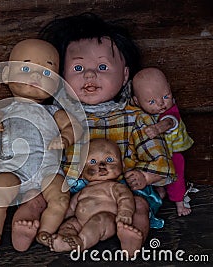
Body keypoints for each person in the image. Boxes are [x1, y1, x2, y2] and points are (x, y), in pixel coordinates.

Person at [40, 12, 176, 251]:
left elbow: (157, 154)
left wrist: (146, 176)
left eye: (102, 66)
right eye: (78, 67)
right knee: (52, 203)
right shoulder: (62, 117)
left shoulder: (135, 117)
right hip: (77, 193)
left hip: (124, 189)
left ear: (125, 75)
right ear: (62, 76)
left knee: (140, 206)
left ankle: (133, 237)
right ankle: (54, 235)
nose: (89, 75)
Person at [0, 39, 81, 251]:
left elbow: (75, 125)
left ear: (57, 83)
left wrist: (67, 137)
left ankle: (46, 232)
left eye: (47, 73)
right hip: (14, 171)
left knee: (60, 198)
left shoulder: (53, 112)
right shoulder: (7, 109)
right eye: (25, 68)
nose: (36, 77)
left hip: (48, 171)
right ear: (6, 75)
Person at [49, 138, 142, 257]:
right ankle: (66, 241)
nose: (102, 165)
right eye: (93, 161)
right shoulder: (83, 191)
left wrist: (125, 213)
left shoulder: (115, 187)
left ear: (122, 165)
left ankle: (82, 242)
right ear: (81, 170)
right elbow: (71, 207)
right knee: (69, 225)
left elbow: (125, 198)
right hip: (80, 222)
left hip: (108, 221)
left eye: (109, 159)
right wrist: (60, 217)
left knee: (100, 220)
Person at [132, 67, 194, 216]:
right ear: (136, 101)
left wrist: (158, 128)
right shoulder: (140, 113)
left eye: (166, 96)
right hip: (154, 155)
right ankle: (160, 190)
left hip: (172, 155)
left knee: (176, 178)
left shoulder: (170, 112)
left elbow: (169, 123)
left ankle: (179, 202)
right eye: (152, 101)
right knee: (150, 171)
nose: (161, 104)